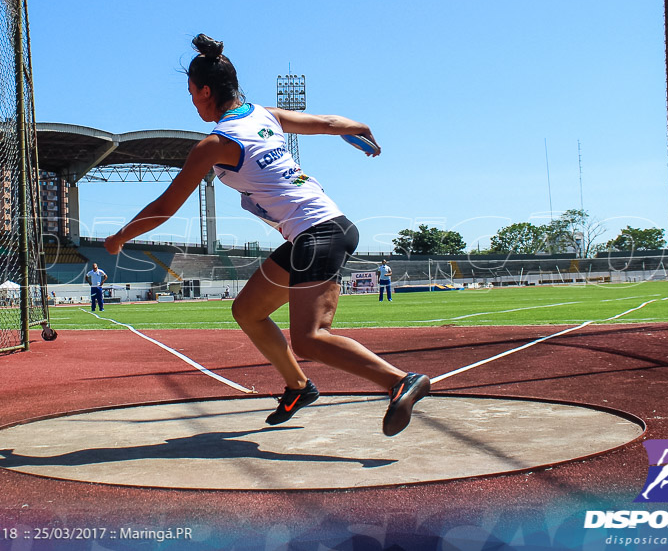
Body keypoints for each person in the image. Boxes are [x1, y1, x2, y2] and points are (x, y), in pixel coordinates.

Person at [105, 34, 429, 437]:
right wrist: (359, 127)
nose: (191, 102)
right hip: (310, 234)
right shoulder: (264, 115)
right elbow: (328, 124)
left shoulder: (216, 143)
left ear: (206, 91)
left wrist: (120, 236)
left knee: (310, 338)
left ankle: (400, 380)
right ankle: (298, 387)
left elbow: (166, 206)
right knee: (247, 311)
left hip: (319, 233)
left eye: (191, 93)